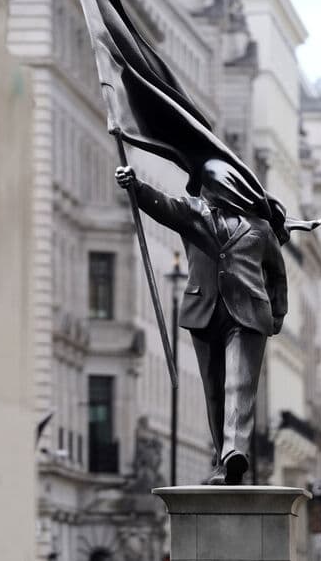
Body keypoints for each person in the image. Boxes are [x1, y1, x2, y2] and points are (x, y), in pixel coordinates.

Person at [115, 159, 287, 485]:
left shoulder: (260, 229)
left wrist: (278, 313)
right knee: (214, 391)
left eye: (222, 184)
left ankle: (235, 451)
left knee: (239, 382)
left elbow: (277, 275)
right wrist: (135, 186)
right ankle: (224, 460)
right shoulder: (191, 214)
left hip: (248, 314)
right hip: (205, 311)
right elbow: (161, 205)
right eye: (211, 184)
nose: (215, 190)